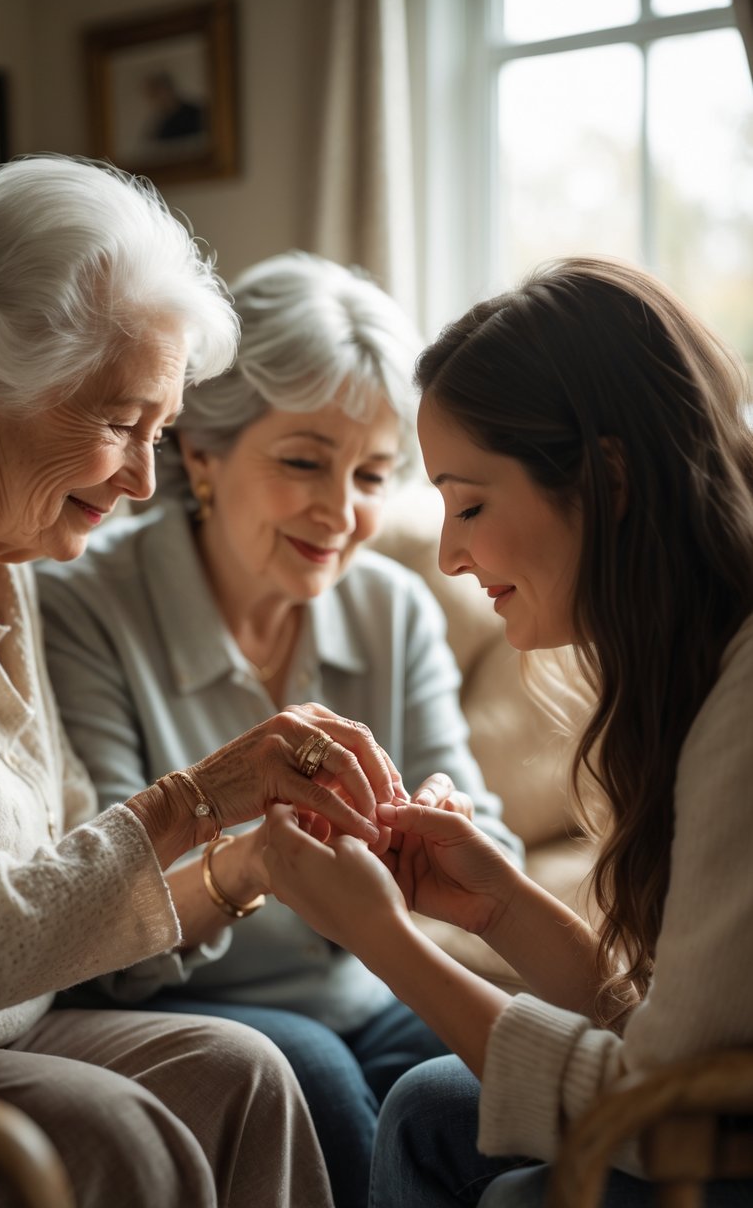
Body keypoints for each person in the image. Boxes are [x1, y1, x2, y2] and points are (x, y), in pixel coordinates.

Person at [0, 155, 400, 1208]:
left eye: (159, 428)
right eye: (117, 424)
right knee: (124, 1133)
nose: (145, 479)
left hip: (12, 1021)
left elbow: (60, 879)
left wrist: (246, 863)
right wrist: (199, 799)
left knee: (248, 1076)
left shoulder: (14, 562)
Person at [36, 249, 524, 1208]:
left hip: (365, 995)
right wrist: (253, 865)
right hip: (192, 1007)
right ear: (205, 452)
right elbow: (100, 901)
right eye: (304, 460)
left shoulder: (394, 608)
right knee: (315, 1075)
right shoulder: (84, 607)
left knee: (486, 1077)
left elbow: (490, 840)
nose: (341, 513)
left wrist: (427, 827)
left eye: (374, 475)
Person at [261, 256, 753, 1207]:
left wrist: (383, 941)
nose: (447, 554)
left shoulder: (741, 708)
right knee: (433, 1104)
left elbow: (666, 1107)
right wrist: (501, 908)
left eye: (471, 504)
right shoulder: (694, 668)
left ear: (606, 478)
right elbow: (683, 1032)